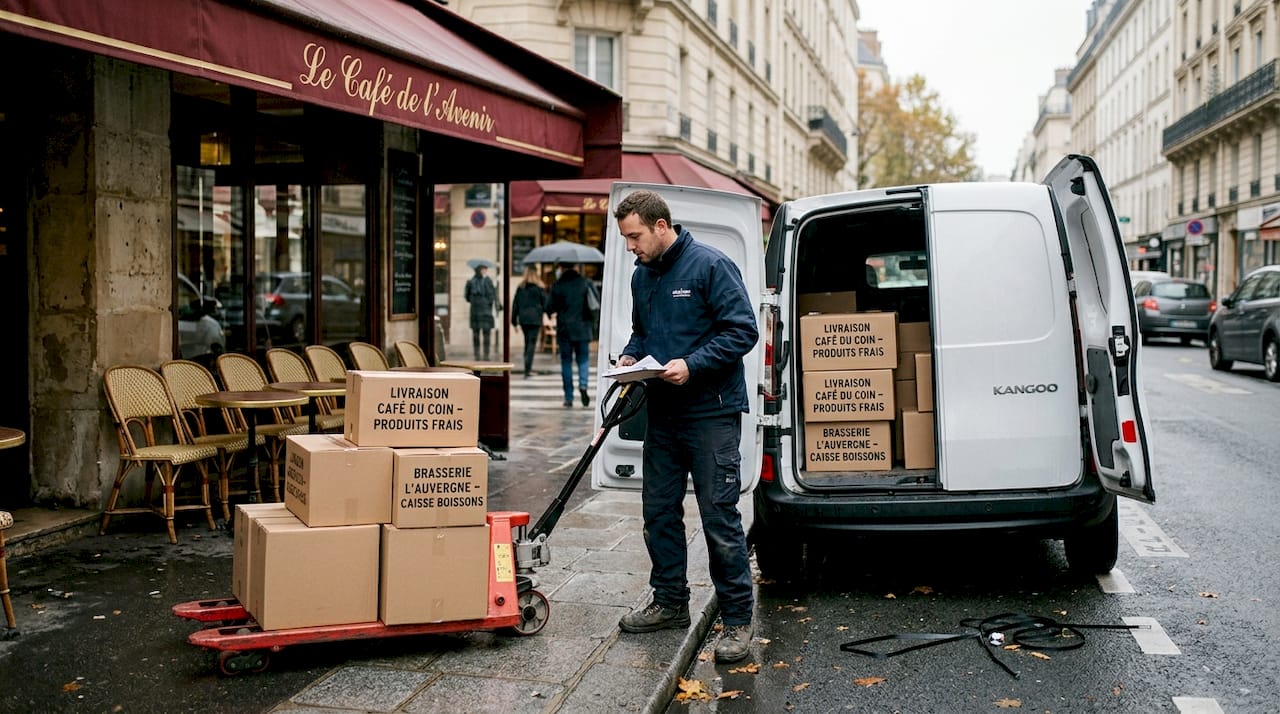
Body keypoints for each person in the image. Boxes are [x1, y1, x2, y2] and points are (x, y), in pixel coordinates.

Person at [611, 189, 758, 664]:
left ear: (660, 225)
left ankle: (736, 621)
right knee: (658, 512)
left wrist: (692, 365)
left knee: (718, 516)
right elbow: (642, 331)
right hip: (665, 413)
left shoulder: (710, 265)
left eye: (634, 237)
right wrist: (632, 355)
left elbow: (742, 330)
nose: (629, 247)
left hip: (711, 413)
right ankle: (671, 603)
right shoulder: (642, 275)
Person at [546, 262, 595, 408]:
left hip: (565, 330)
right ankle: (583, 386)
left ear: (561, 269)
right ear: (575, 267)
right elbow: (594, 304)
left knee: (566, 363)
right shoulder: (586, 283)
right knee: (583, 360)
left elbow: (550, 307)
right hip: (583, 328)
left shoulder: (558, 285)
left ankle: (569, 397)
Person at [511, 266, 549, 378]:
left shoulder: (520, 288)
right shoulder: (539, 288)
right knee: (531, 344)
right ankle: (527, 370)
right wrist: (547, 312)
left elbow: (515, 305)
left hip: (523, 319)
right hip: (535, 319)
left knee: (527, 343)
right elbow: (546, 304)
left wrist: (514, 321)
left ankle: (527, 367)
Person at [464, 264, 497, 360]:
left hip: (481, 311)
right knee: (479, 334)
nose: (485, 271)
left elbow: (467, 297)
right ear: (479, 270)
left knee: (482, 334)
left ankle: (482, 354)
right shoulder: (478, 281)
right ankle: (480, 354)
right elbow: (467, 297)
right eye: (484, 269)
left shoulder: (485, 281)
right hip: (481, 311)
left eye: (486, 269)